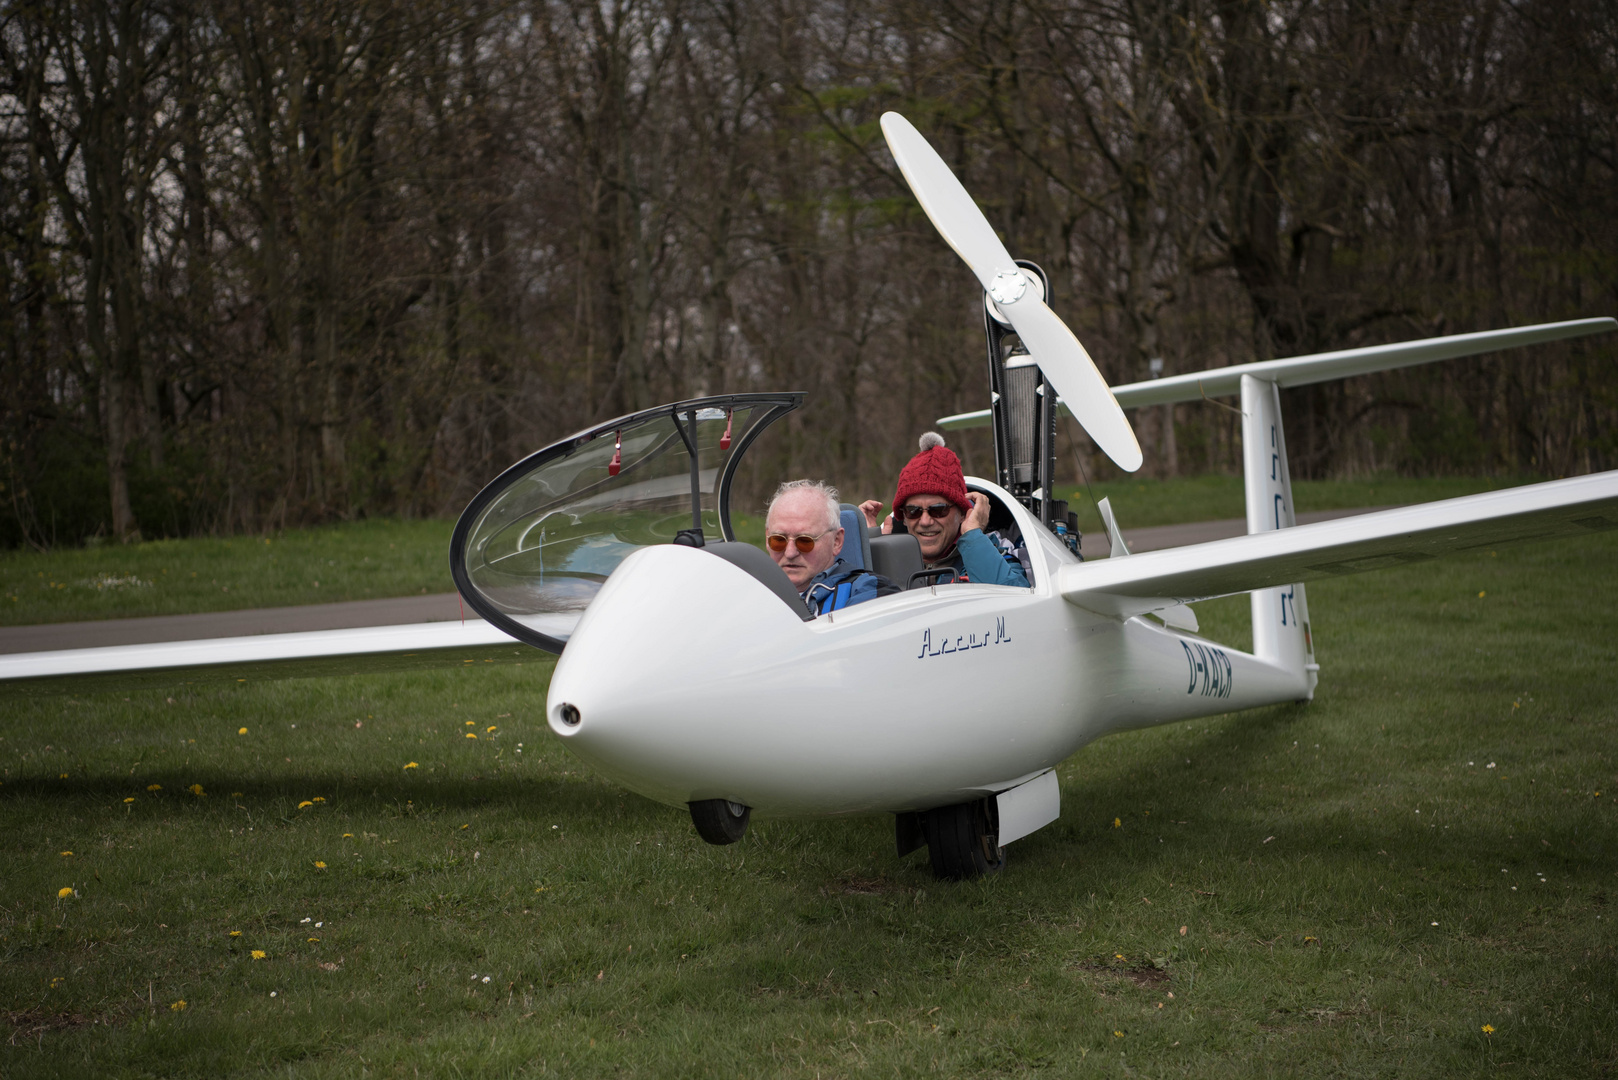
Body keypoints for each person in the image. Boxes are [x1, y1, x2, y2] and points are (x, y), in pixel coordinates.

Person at [859, 432, 1029, 587]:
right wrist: (871, 553)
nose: (925, 521)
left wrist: (972, 537)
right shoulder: (886, 558)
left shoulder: (997, 552)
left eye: (938, 510)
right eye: (913, 511)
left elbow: (1016, 598)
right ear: (902, 516)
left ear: (962, 514)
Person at [765, 480, 899, 615]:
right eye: (778, 540)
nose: (790, 553)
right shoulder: (750, 592)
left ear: (836, 542)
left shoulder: (869, 590)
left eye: (805, 541)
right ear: (767, 538)